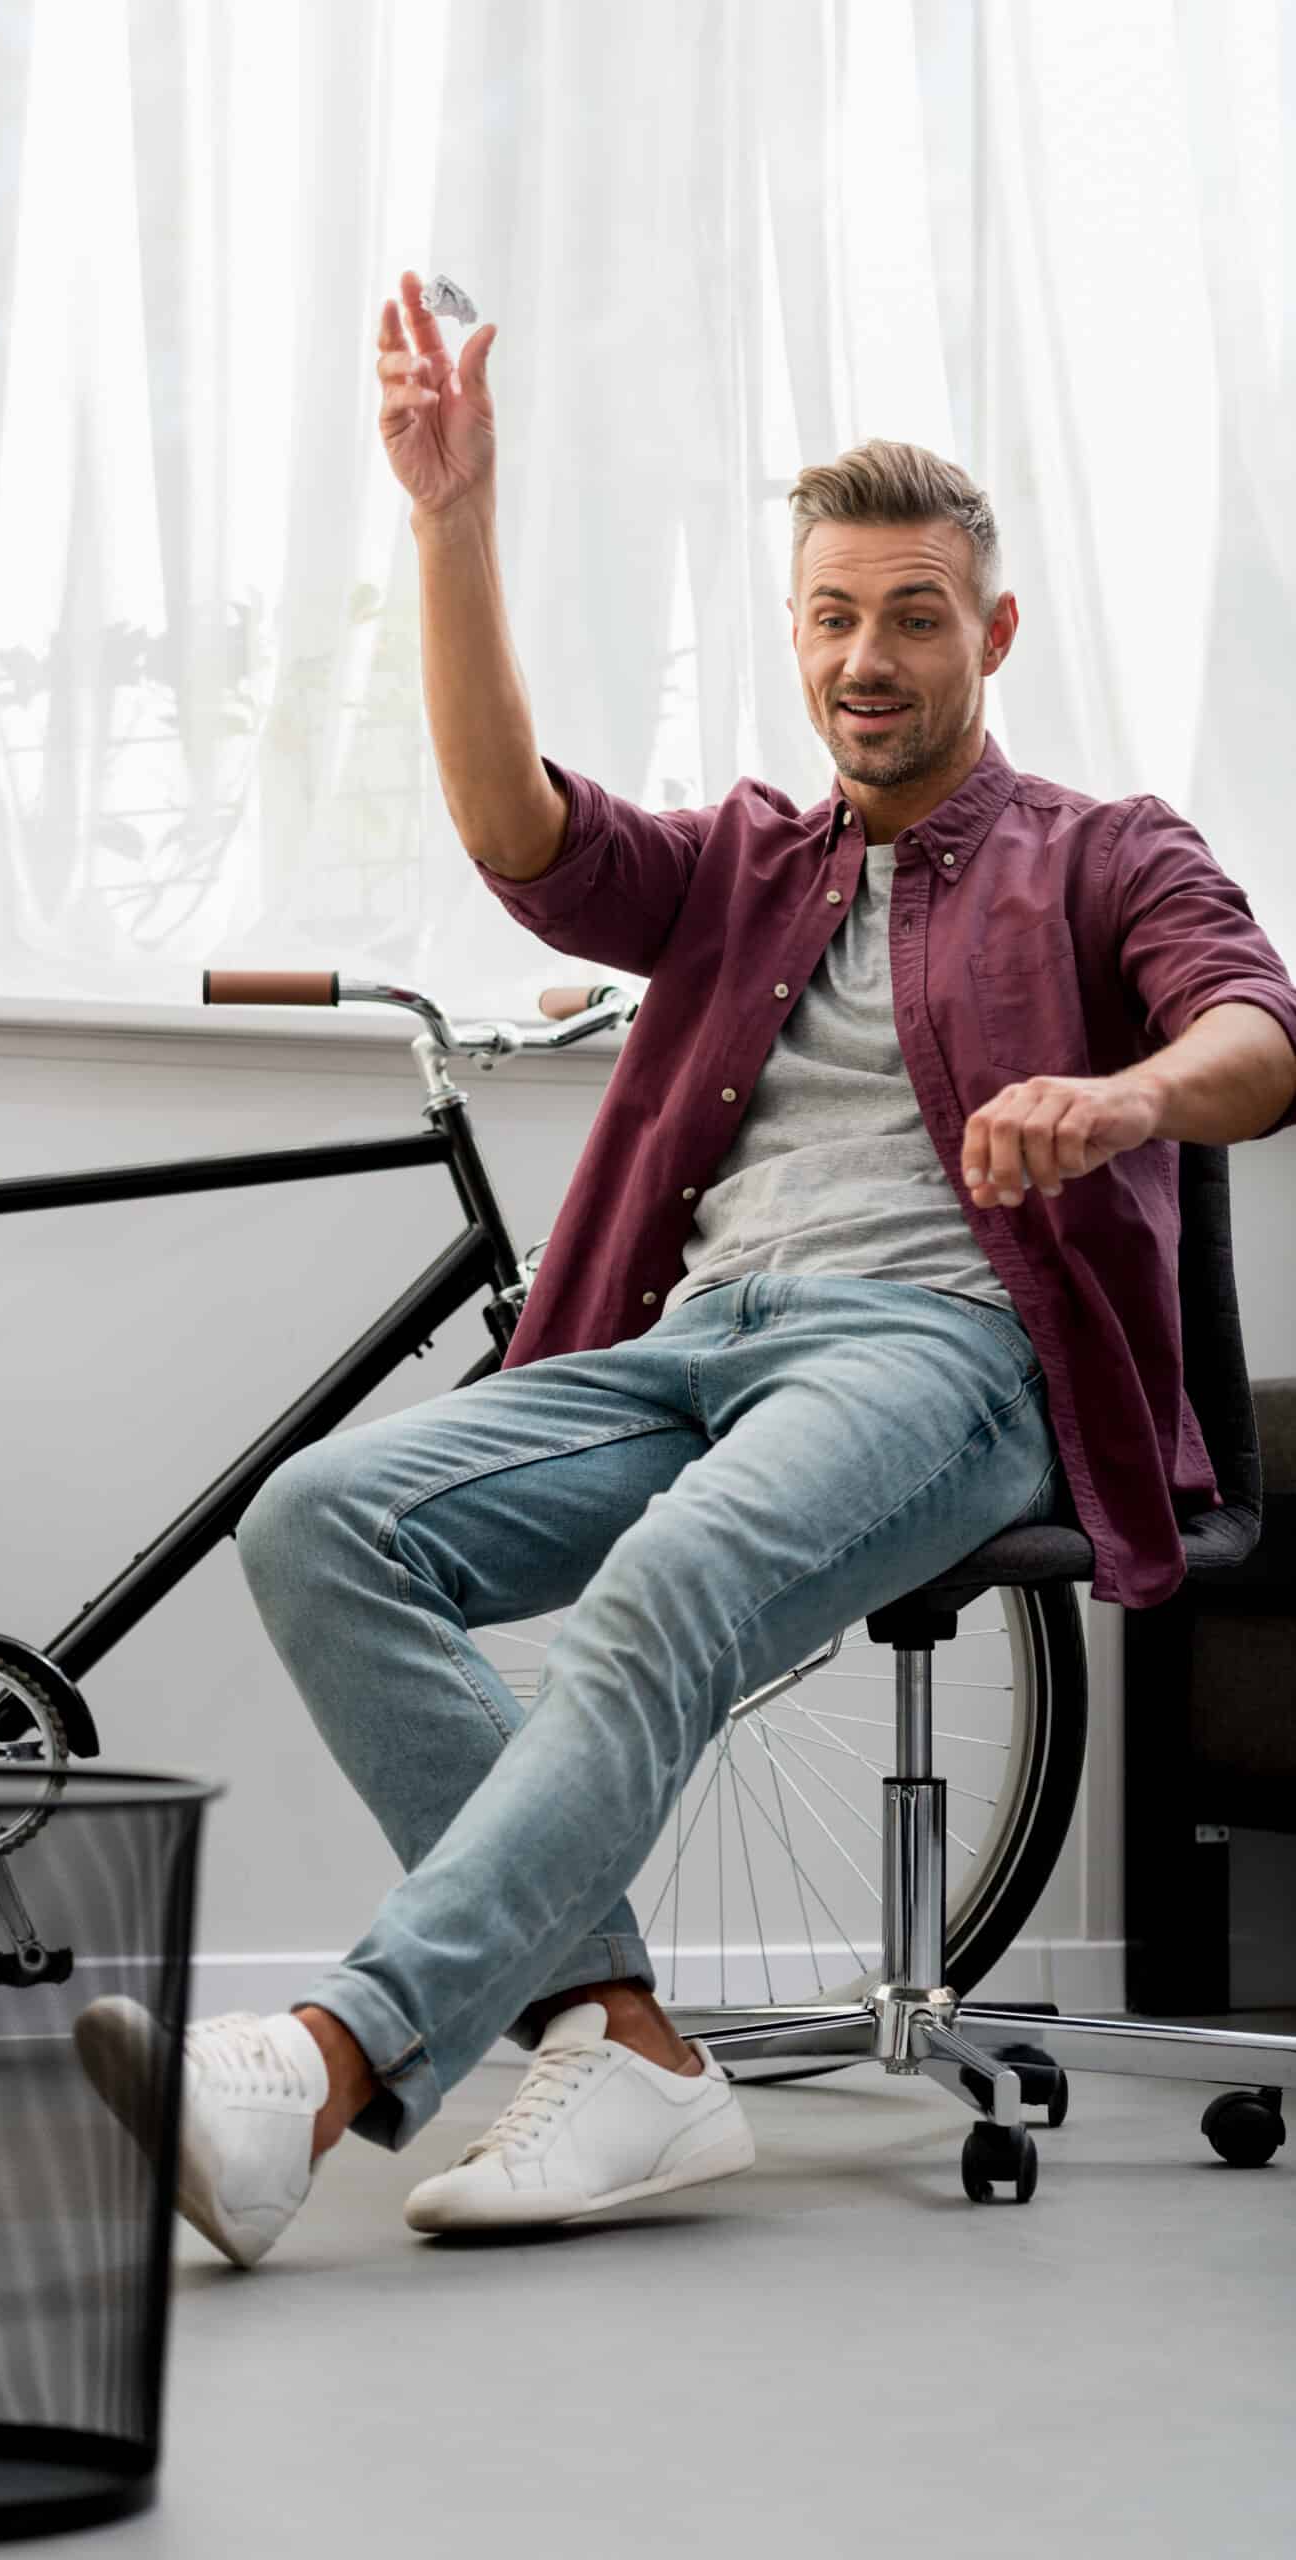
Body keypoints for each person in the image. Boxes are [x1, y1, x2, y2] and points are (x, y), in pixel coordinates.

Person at [74, 267, 1296, 2269]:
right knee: (320, 1519)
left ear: (989, 632)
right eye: (833, 616)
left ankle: (319, 2063)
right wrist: (449, 520)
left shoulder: (1102, 849)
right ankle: (617, 2031)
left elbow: (1261, 1032)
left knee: (672, 1581)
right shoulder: (744, 860)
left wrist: (1121, 1098)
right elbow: (513, 826)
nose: (869, 656)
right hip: (691, 1345)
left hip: (948, 1355)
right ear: (798, 637)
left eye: (913, 616)